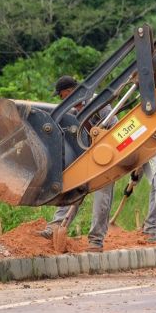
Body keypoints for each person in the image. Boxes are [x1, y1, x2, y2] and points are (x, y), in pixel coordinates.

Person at [37, 75, 116, 252]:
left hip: (106, 156)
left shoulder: (98, 103)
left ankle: (96, 241)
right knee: (71, 188)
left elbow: (114, 126)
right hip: (84, 155)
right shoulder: (70, 110)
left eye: (63, 95)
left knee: (102, 198)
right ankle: (53, 228)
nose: (62, 100)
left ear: (71, 91)